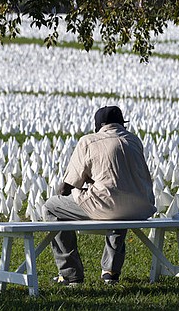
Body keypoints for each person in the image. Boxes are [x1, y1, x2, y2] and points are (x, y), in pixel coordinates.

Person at [43, 105, 157, 286]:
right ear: (121, 124)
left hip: (110, 205)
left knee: (52, 206)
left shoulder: (88, 142)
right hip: (143, 206)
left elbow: (65, 188)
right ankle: (110, 270)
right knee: (119, 203)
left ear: (98, 126)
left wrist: (85, 182)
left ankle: (70, 273)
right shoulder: (134, 140)